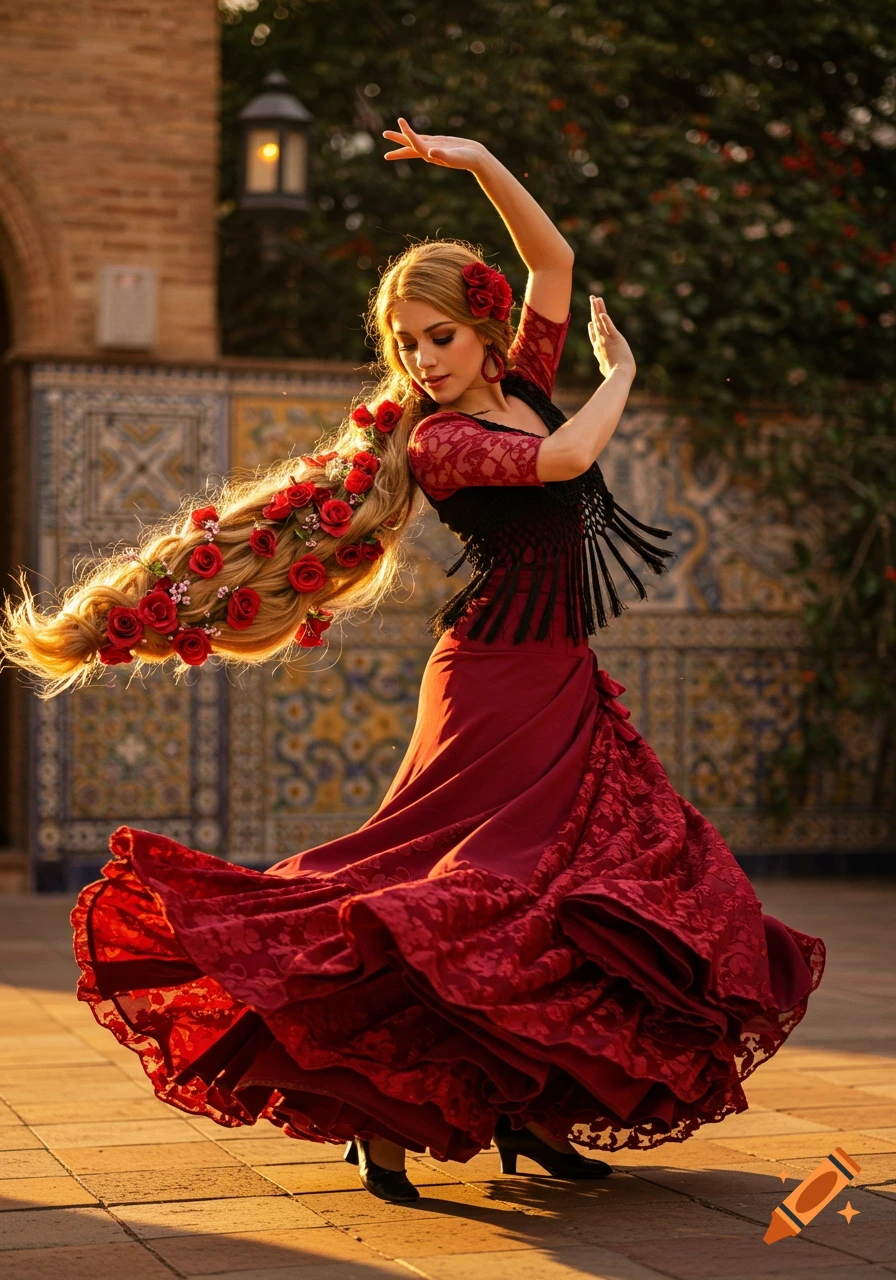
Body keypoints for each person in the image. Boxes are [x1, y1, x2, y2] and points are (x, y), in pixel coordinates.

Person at [0, 119, 826, 1206]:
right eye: (406, 344)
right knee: (448, 891)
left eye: (437, 336)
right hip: (487, 679)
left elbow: (552, 265)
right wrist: (620, 367)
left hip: (561, 675)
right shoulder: (441, 442)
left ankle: (531, 1108)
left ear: (484, 333)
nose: (422, 360)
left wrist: (478, 160)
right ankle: (378, 1118)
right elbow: (570, 454)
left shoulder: (522, 377)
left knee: (574, 894)